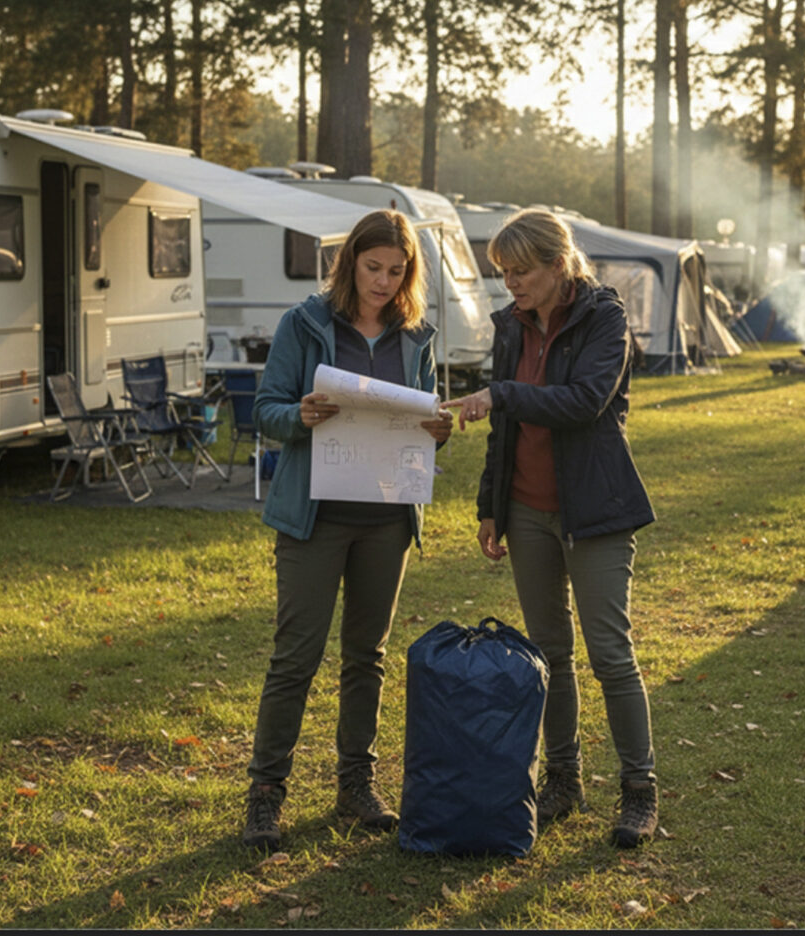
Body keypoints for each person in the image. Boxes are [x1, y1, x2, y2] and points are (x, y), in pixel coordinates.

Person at [442, 208, 659, 849]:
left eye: (520, 271)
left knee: (610, 655)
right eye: (502, 273)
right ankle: (563, 778)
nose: (509, 283)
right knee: (548, 654)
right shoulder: (510, 326)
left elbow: (583, 402)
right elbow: (503, 426)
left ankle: (639, 790)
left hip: (595, 511)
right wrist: (491, 505)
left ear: (557, 263)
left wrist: (501, 395)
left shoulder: (605, 318)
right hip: (527, 511)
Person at [242, 209, 453, 851]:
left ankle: (355, 787)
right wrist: (299, 413)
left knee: (368, 657)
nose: (383, 282)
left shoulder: (417, 335)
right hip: (314, 520)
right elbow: (264, 411)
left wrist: (438, 430)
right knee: (295, 659)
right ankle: (265, 796)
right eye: (372, 267)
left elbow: (426, 415)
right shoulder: (304, 323)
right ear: (350, 261)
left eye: (396, 270)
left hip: (387, 520)